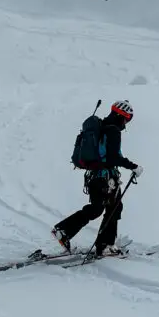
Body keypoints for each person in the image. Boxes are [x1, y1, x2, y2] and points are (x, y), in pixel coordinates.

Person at [52, 100, 143, 257]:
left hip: (96, 176)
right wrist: (133, 166)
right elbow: (114, 158)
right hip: (106, 178)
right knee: (109, 209)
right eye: (127, 119)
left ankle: (66, 231)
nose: (126, 124)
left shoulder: (102, 127)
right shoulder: (113, 130)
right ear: (122, 116)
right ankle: (103, 244)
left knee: (104, 208)